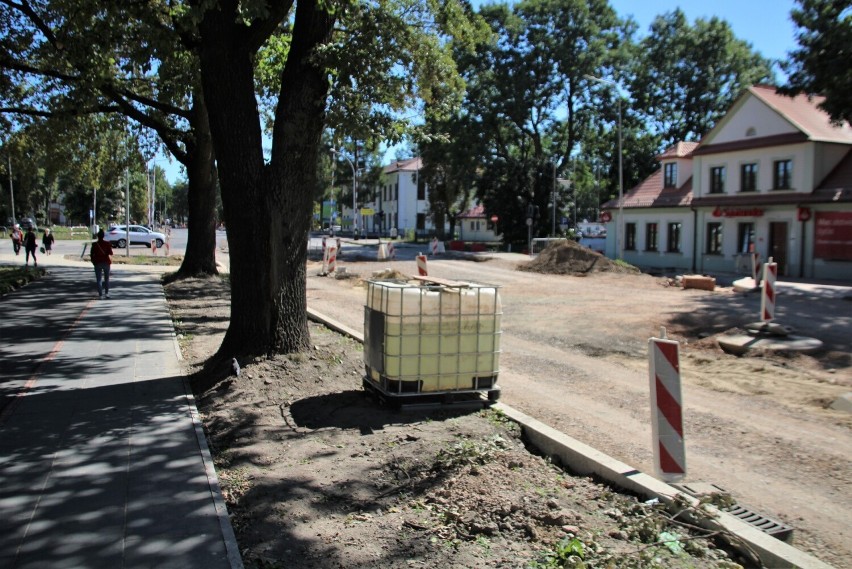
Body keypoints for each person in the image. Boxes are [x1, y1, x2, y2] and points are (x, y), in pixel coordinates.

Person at [91, 228, 114, 299]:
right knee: (106, 279)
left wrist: (93, 261)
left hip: (97, 262)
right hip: (106, 262)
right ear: (103, 236)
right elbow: (111, 253)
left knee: (99, 279)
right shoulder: (107, 244)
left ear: (98, 236)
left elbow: (92, 254)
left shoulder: (94, 244)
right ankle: (106, 293)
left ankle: (100, 295)